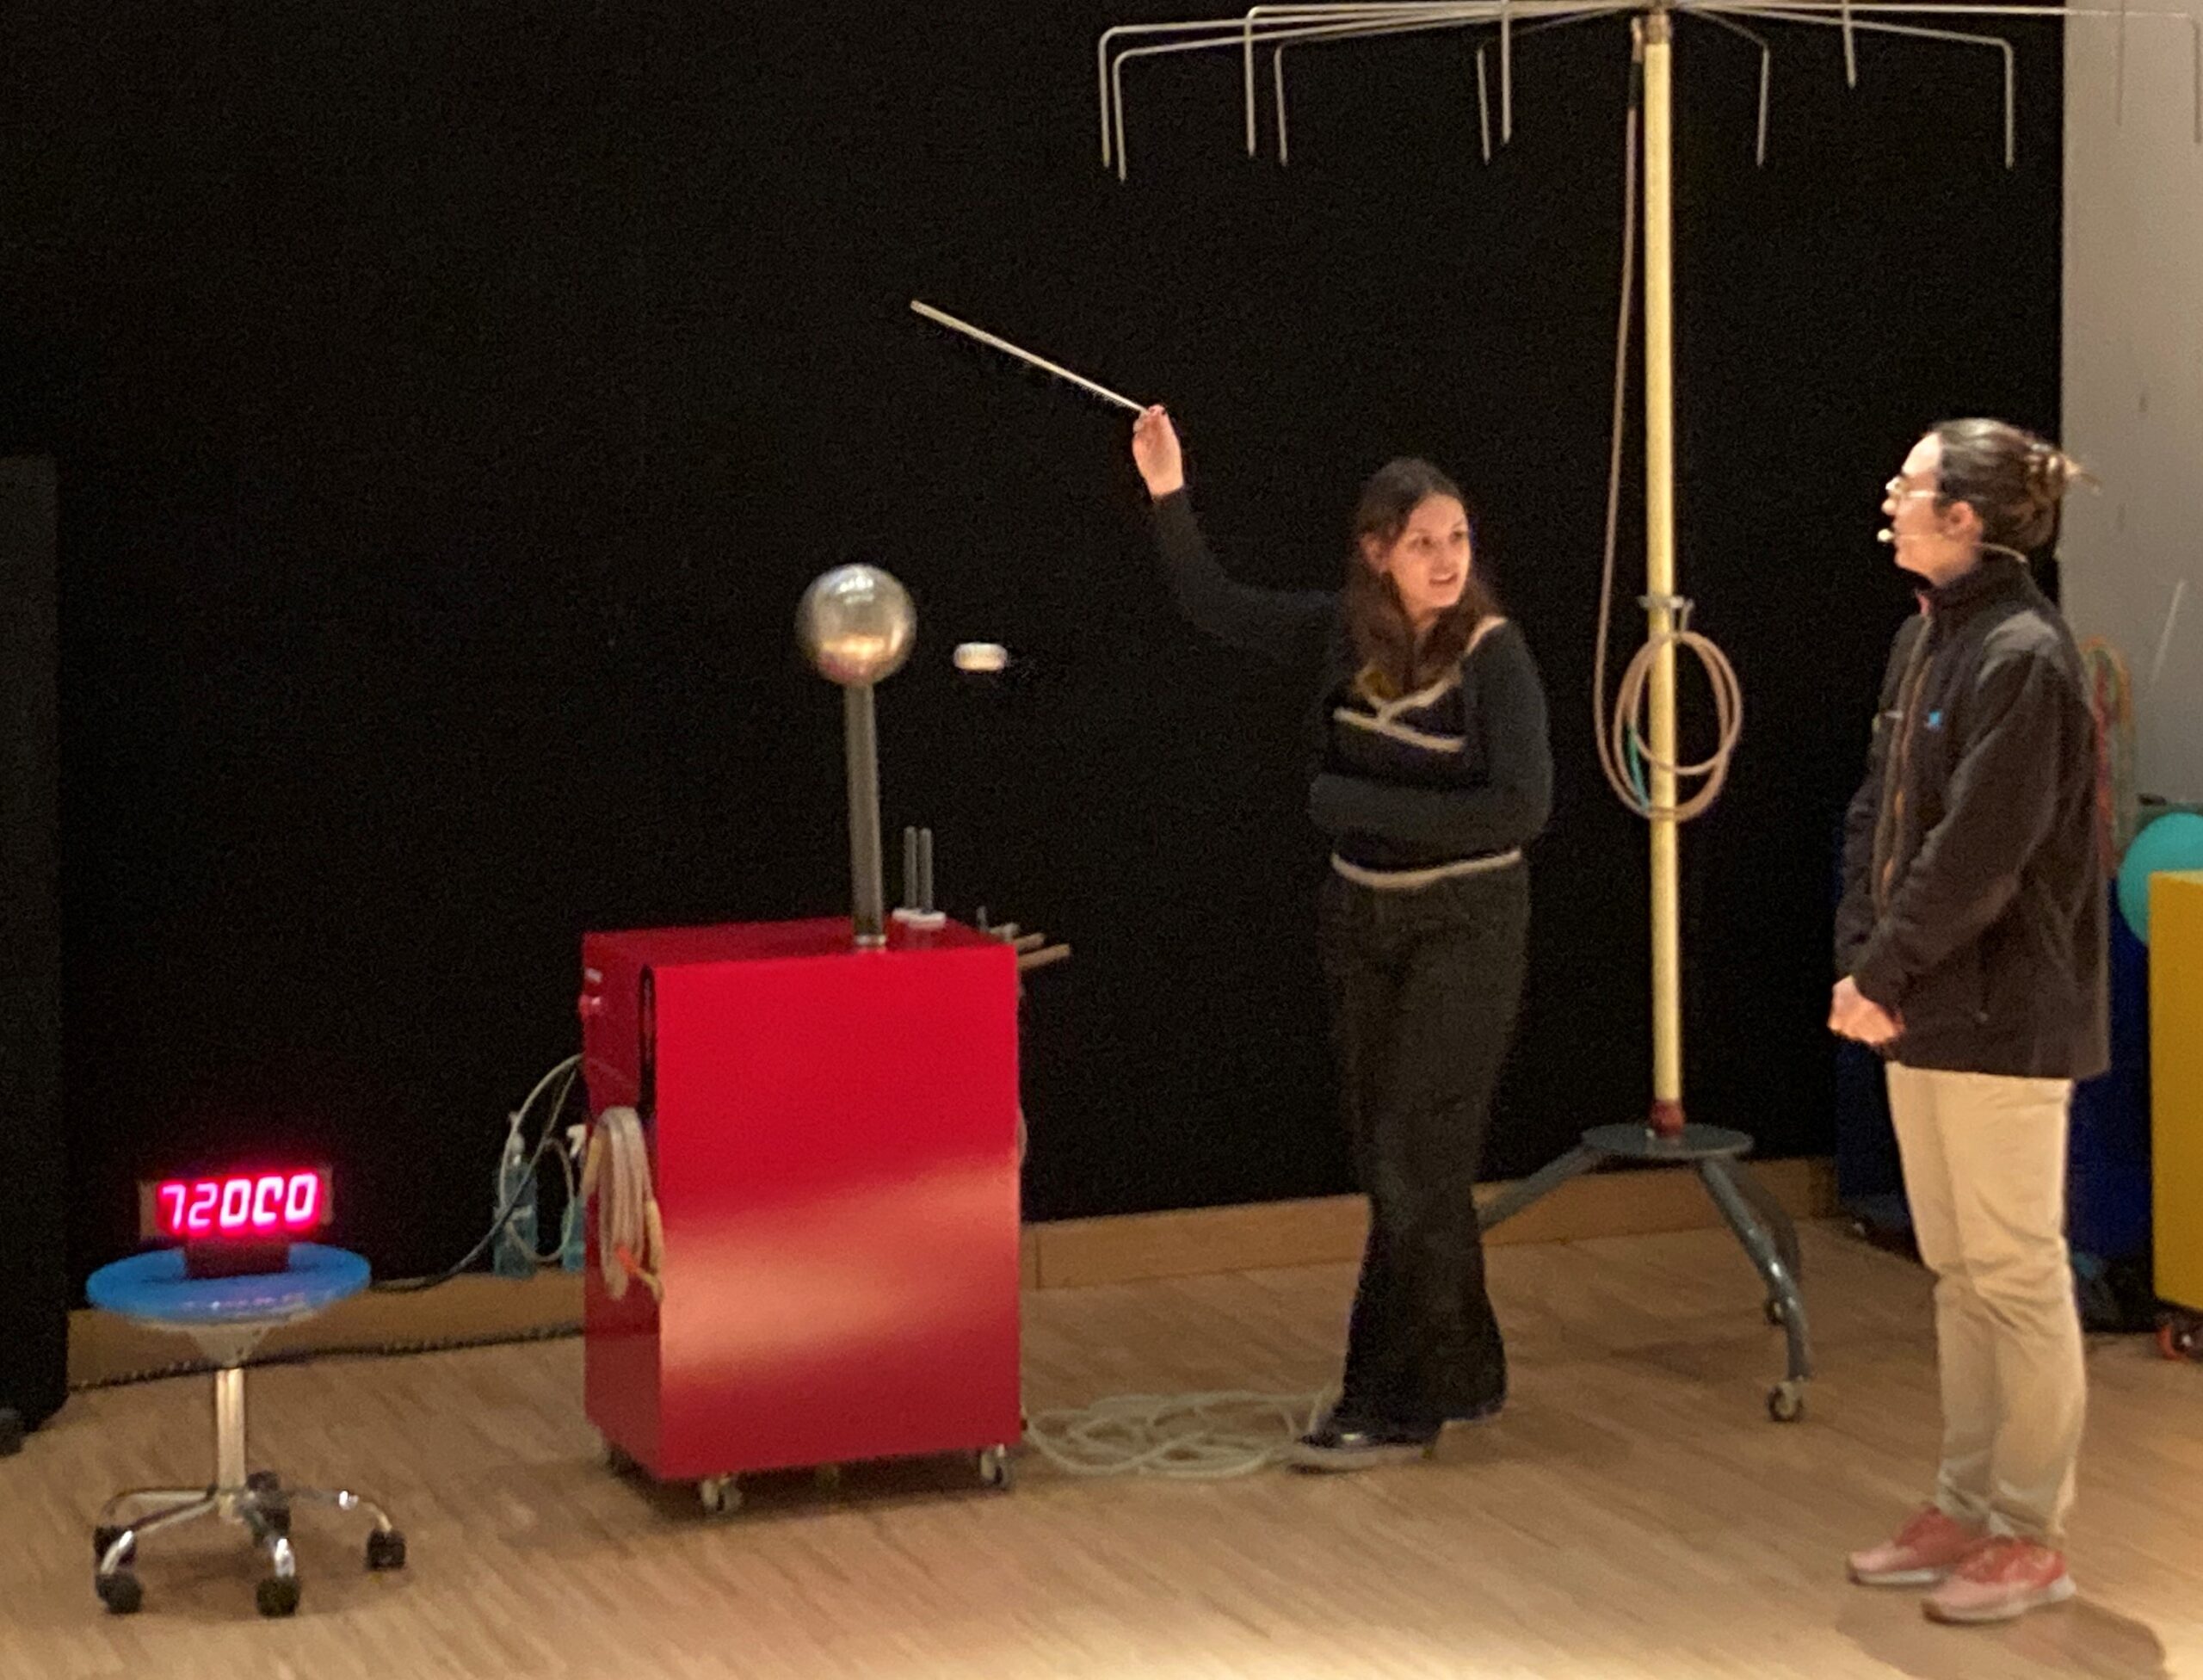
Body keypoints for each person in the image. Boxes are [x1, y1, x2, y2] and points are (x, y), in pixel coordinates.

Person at [1129, 405, 1553, 1470]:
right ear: (1377, 553)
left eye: (1457, 539)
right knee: (1392, 1160)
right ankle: (1460, 1369)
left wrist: (1352, 803)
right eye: (1423, 543)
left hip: (1467, 922)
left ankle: (1389, 1399)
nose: (1447, 560)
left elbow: (1519, 807)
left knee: (1416, 1161)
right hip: (1361, 918)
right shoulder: (1342, 634)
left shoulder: (1495, 658)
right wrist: (1168, 492)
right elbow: (1216, 605)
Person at [1832, 418, 2107, 1624]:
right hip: (1922, 1005)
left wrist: (1885, 966)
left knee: (2016, 1269)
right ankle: (1964, 1501)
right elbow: (1879, 816)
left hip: (2004, 1012)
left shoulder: (2026, 658)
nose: (1890, 499)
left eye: (1911, 485)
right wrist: (1864, 959)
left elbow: (1979, 854)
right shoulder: (1924, 638)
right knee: (1956, 1271)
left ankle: (2031, 1531)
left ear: (1966, 517)